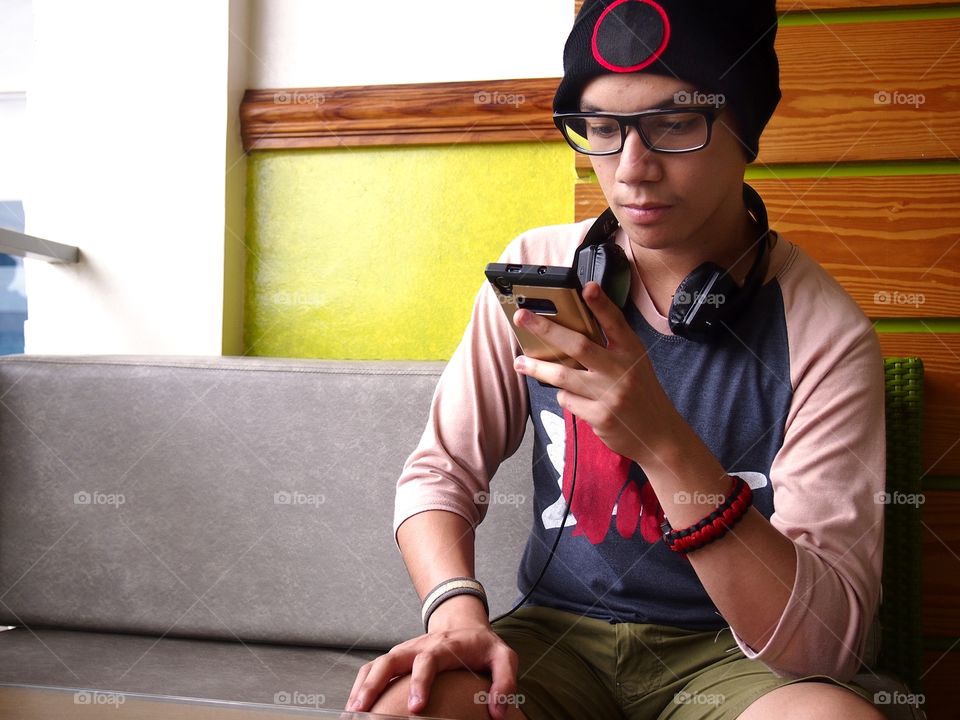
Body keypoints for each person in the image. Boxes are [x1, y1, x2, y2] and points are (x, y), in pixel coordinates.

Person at [347, 1, 887, 718]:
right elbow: (439, 473)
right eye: (601, 129)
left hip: (737, 661)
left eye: (673, 125)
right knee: (403, 708)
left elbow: (824, 647)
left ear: (745, 130)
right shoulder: (538, 274)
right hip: (553, 643)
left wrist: (661, 441)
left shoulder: (824, 333)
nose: (632, 170)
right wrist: (455, 613)